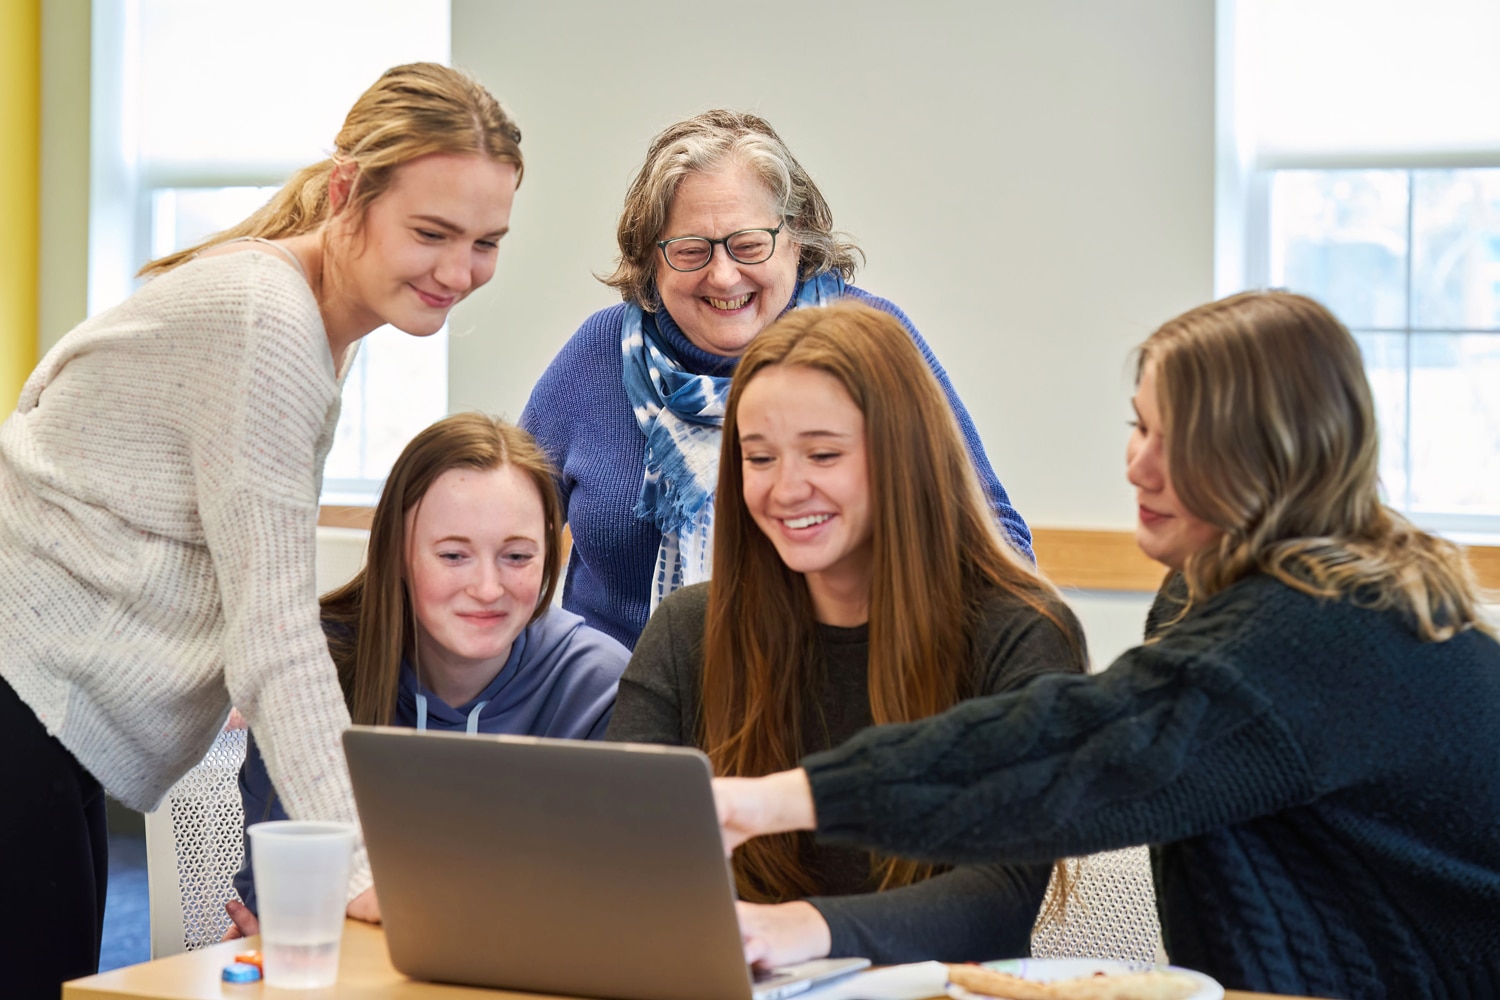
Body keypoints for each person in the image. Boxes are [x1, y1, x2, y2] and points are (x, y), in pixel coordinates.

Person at [711, 291, 1500, 998]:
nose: (1136, 465)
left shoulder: (1329, 629)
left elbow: (1068, 755)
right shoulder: (1208, 595)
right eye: (1140, 425)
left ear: (1276, 458)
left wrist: (768, 802)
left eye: (1178, 440)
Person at [0, 62, 522, 993]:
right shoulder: (268, 320)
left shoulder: (323, 318)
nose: (458, 271)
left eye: (486, 242)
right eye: (432, 233)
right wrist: (365, 872)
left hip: (43, 707)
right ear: (347, 193)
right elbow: (272, 631)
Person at [607, 302, 1087, 967]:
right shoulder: (689, 629)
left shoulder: (1021, 631)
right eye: (759, 458)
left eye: (823, 454)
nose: (785, 488)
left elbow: (998, 898)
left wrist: (795, 930)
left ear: (906, 456)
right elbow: (624, 853)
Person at [521, 110, 1031, 649]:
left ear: (797, 241)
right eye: (691, 250)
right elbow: (502, 533)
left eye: (748, 245)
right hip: (618, 704)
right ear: (652, 258)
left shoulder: (872, 346)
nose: (722, 275)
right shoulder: (598, 356)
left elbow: (996, 541)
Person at [224, 413, 630, 934]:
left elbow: (606, 912)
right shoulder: (312, 671)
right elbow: (280, 889)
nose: (487, 588)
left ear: (550, 554)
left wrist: (354, 904)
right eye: (454, 555)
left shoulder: (597, 685)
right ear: (398, 553)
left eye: (517, 555)